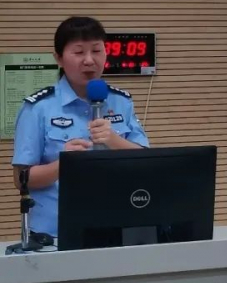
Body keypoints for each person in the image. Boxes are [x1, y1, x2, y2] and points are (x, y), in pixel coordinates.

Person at [10, 16, 150, 239]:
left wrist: (114, 140)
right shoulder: (38, 108)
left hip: (118, 225)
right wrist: (63, 164)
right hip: (55, 233)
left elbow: (147, 162)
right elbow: (21, 179)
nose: (89, 60)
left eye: (96, 50)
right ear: (59, 58)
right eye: (78, 52)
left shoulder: (121, 102)